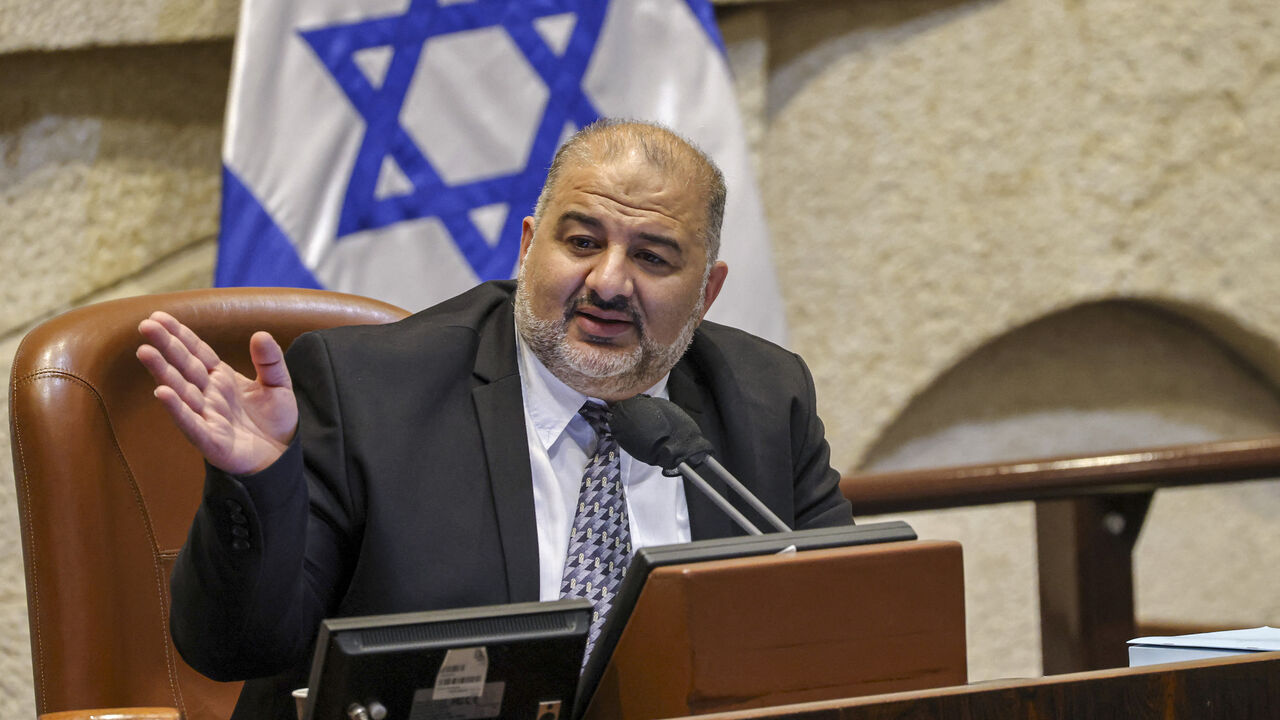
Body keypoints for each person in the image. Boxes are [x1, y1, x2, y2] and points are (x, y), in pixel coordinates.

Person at [137, 120, 852, 719]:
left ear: (706, 292)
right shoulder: (368, 392)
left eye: (652, 257)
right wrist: (259, 483)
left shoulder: (764, 397)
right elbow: (234, 649)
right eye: (580, 242)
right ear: (527, 246)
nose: (607, 282)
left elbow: (857, 631)